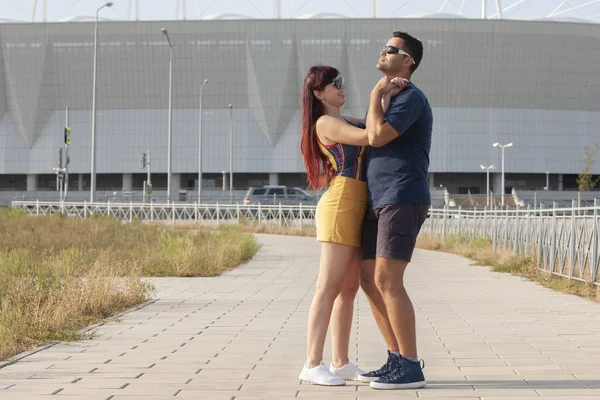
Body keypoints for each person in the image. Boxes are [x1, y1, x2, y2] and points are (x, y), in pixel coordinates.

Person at [298, 65, 407, 386]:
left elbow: (378, 123)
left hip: (359, 203)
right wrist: (377, 92)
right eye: (335, 84)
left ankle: (340, 362)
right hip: (341, 202)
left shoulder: (343, 118)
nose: (342, 87)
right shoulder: (326, 122)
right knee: (328, 286)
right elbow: (370, 136)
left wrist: (388, 96)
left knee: (348, 289)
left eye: (343, 82)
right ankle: (312, 363)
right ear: (319, 93)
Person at [356, 31, 433, 390]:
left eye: (391, 49)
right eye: (383, 46)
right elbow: (370, 129)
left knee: (388, 280)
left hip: (402, 196)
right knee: (369, 281)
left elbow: (376, 137)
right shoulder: (393, 97)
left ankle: (410, 365)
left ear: (408, 61)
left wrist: (375, 94)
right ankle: (395, 357)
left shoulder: (411, 98)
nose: (383, 51)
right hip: (379, 198)